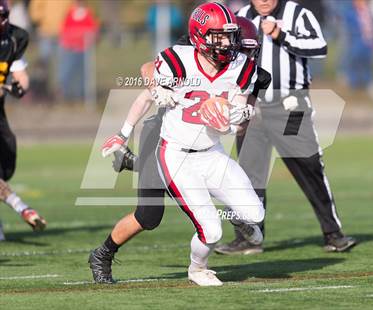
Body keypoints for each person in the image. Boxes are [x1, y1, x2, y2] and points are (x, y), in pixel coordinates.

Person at [89, 2, 265, 287]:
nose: (229, 45)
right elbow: (147, 80)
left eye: (233, 38)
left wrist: (236, 115)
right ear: (201, 36)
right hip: (170, 146)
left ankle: (137, 165)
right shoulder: (180, 58)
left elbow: (238, 117)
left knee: (255, 214)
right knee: (151, 215)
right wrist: (125, 130)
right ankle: (103, 255)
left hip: (210, 150)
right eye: (220, 36)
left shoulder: (246, 69)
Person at [215, 0, 356, 255]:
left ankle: (333, 233)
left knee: (308, 165)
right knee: (248, 174)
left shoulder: (298, 14)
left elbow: (319, 47)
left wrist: (281, 35)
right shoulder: (240, 17)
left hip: (290, 106)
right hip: (252, 108)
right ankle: (249, 237)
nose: (265, 1)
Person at [0, 0, 46, 241]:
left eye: (3, 16)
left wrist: (18, 87)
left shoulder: (16, 37)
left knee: (6, 163)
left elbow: (20, 77)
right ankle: (22, 208)